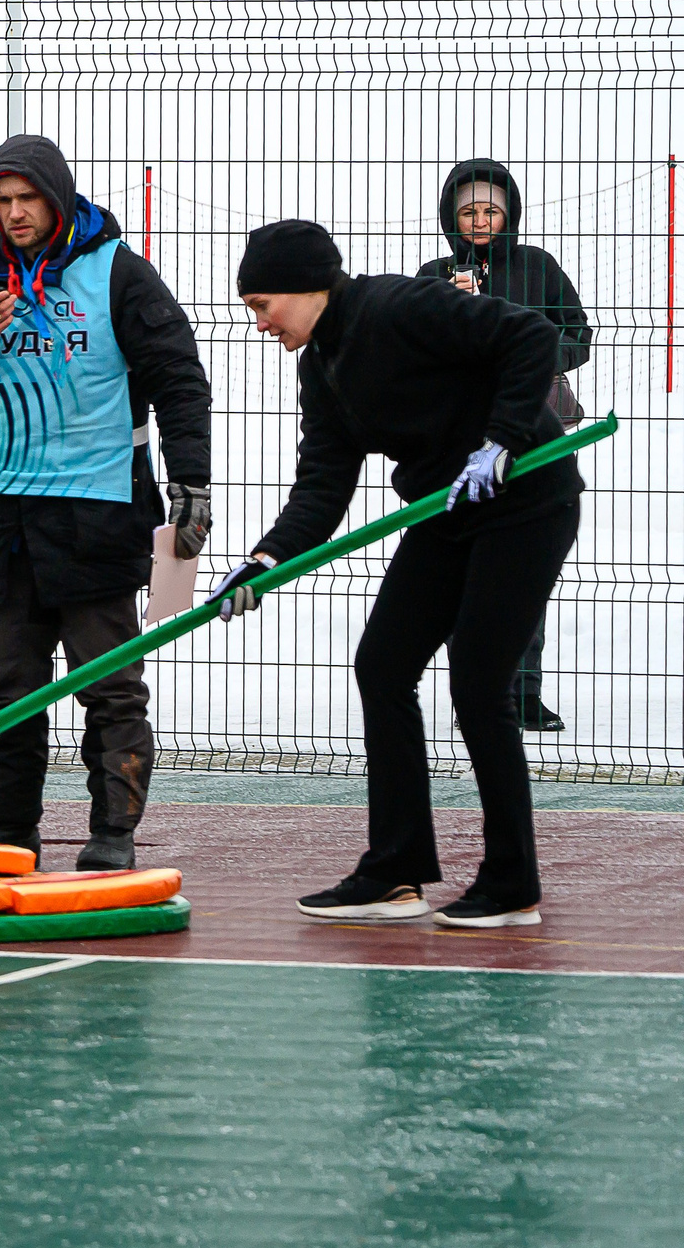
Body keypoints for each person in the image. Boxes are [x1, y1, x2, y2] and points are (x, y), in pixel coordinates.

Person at [218, 219, 581, 929]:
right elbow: (323, 482)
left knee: (479, 681)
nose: (258, 322)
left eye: (263, 305)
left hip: (525, 499)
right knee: (382, 664)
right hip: (447, 507)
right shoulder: (320, 364)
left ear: (305, 285)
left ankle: (512, 884)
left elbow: (530, 337)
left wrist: (504, 439)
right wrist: (267, 558)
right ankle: (396, 870)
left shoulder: (401, 306)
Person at [0, 135, 212, 872]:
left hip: (96, 516)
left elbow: (179, 377)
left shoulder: (119, 273)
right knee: (8, 689)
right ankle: (10, 831)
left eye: (26, 199)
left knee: (109, 685)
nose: (13, 214)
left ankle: (113, 832)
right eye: (0, 201)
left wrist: (190, 484)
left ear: (57, 197)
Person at [415, 158, 593, 733]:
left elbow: (579, 337)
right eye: (469, 212)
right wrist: (449, 304)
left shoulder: (537, 267)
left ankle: (525, 693)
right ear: (451, 216)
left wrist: (533, 353)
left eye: (492, 210)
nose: (481, 220)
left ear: (509, 212)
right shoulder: (434, 273)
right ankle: (481, 689)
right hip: (463, 443)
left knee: (527, 566)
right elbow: (415, 349)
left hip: (534, 442)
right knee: (468, 569)